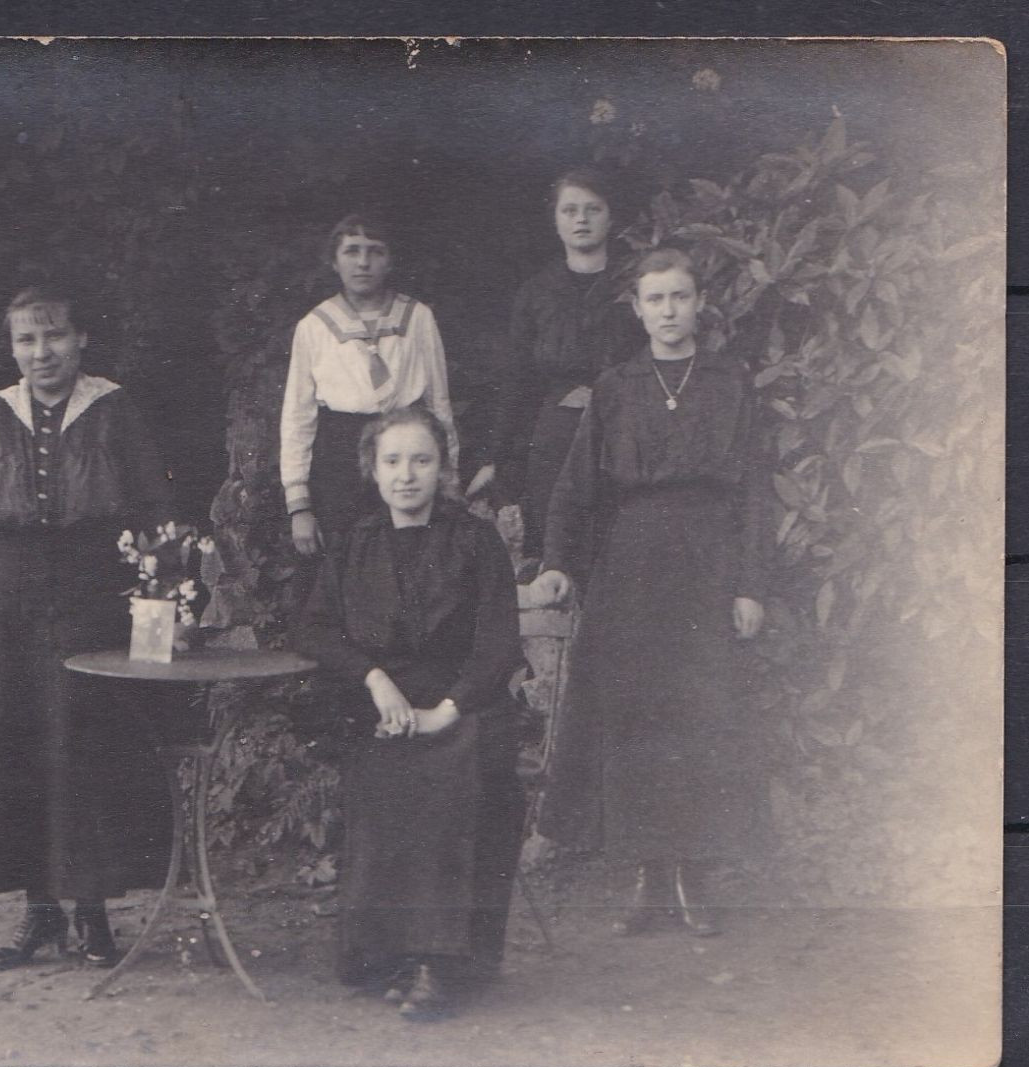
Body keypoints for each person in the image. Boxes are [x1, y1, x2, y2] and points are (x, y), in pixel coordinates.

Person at [0, 284, 174, 970]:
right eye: (27, 340)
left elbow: (154, 511)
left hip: (92, 598)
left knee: (86, 755)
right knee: (20, 753)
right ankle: (38, 913)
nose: (42, 352)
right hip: (7, 603)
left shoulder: (113, 409)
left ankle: (93, 914)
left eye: (54, 336)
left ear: (80, 338)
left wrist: (156, 605)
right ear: (12, 348)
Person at [528, 249, 769, 938]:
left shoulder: (730, 382)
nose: (667, 311)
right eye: (654, 299)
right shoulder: (614, 386)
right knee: (635, 720)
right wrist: (559, 564)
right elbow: (575, 490)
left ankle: (694, 874)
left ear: (699, 303)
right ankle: (648, 878)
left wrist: (750, 584)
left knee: (699, 716)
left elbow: (754, 492)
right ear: (635, 308)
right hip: (629, 565)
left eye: (679, 296)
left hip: (706, 562)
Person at [292, 406, 526, 1021]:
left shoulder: (475, 541)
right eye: (392, 461)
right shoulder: (356, 543)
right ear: (372, 468)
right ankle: (391, 954)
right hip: (387, 708)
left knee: (452, 771)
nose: (406, 475)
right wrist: (375, 681)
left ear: (443, 468)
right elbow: (314, 630)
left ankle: (439, 963)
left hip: (465, 705)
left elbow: (498, 643)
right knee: (385, 760)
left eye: (421, 460)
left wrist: (447, 710)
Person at [280, 214, 479, 560]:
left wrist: (448, 476)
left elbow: (439, 403)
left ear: (390, 261)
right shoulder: (314, 326)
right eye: (351, 251)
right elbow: (297, 417)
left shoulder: (417, 317)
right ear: (333, 260)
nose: (363, 262)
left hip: (407, 445)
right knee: (346, 558)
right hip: (341, 455)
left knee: (413, 556)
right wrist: (299, 505)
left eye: (375, 252)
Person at [480, 170, 640, 576]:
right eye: (570, 210)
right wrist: (502, 463)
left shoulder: (635, 286)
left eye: (593, 209)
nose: (581, 219)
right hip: (554, 438)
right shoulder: (536, 293)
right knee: (556, 555)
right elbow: (518, 382)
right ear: (555, 219)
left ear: (611, 217)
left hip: (623, 433)